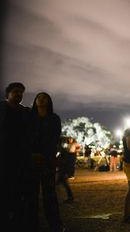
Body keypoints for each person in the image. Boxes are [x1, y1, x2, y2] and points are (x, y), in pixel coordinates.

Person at [28, 92, 64, 232]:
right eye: (39, 97)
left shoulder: (54, 118)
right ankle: (32, 223)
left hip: (47, 159)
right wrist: (32, 153)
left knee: (50, 193)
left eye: (45, 98)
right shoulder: (29, 117)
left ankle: (54, 223)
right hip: (31, 159)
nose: (42, 100)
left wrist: (47, 155)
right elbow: (26, 137)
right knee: (32, 193)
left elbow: (55, 138)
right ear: (35, 101)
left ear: (49, 102)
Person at [0, 82, 31, 230]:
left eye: (21, 92)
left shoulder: (25, 111)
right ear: (8, 94)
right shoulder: (1, 108)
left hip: (22, 155)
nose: (19, 94)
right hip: (5, 154)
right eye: (16, 91)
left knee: (20, 186)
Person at [57, 137, 74, 204]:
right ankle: (68, 197)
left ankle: (69, 197)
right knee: (61, 183)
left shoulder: (63, 151)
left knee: (63, 183)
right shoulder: (63, 150)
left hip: (63, 169)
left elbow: (65, 161)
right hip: (62, 169)